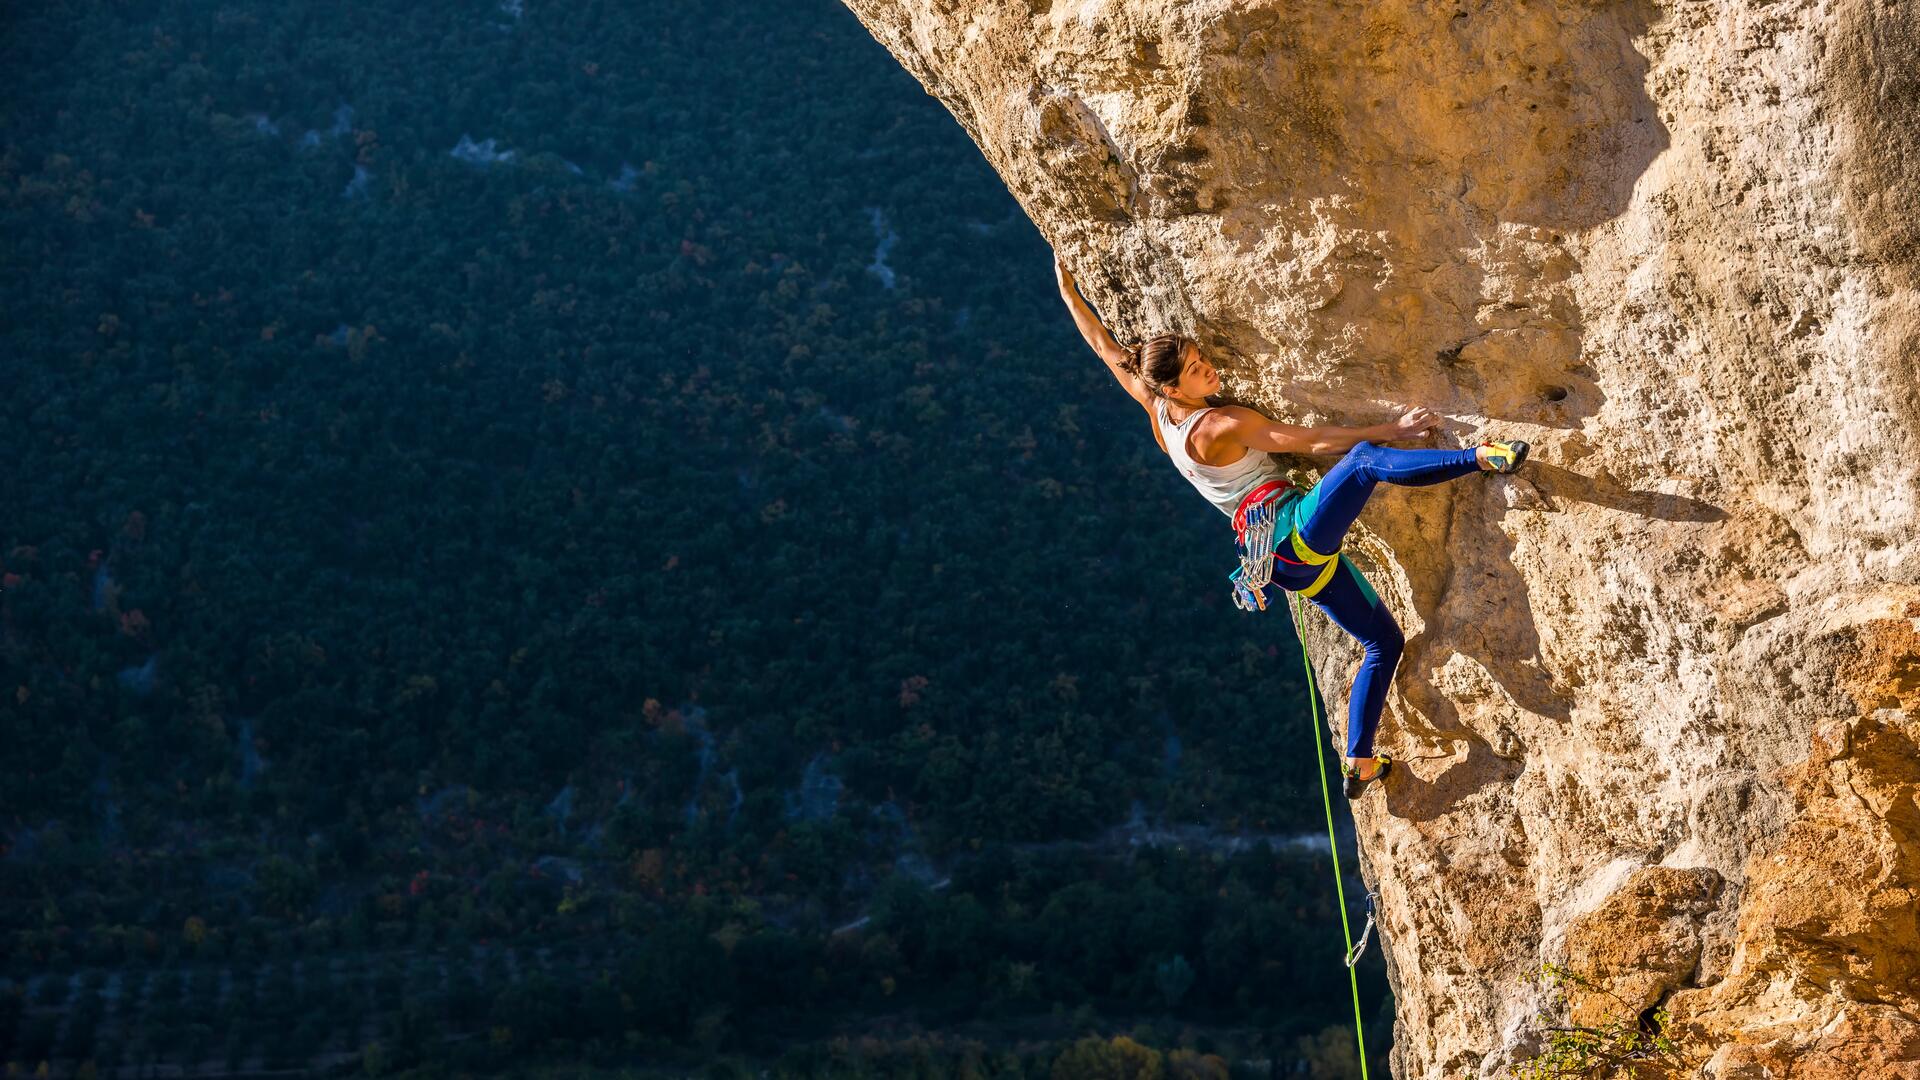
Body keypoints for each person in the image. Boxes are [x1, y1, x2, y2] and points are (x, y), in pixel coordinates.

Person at [1054, 253, 1528, 799]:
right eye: (1194, 368)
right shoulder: (1220, 424)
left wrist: (1069, 293)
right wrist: (1393, 426)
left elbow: (1105, 349)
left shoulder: (1160, 412)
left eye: (1200, 357)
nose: (1208, 367)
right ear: (1177, 387)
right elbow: (1312, 442)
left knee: (1384, 641)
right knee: (1368, 460)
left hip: (1280, 563)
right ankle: (1481, 458)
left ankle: (1360, 761)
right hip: (1290, 535)